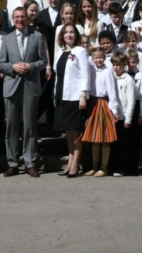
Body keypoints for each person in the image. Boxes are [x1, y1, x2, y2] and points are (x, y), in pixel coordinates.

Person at [0, 5, 48, 177]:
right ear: (13, 19)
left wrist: (30, 66)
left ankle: (30, 162)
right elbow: (1, 64)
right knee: (11, 126)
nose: (20, 20)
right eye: (17, 17)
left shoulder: (37, 36)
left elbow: (43, 61)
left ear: (27, 18)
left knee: (30, 126)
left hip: (30, 85)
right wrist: (14, 67)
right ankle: (12, 163)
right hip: (11, 86)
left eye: (23, 17)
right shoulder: (7, 38)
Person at [53, 24, 91, 177]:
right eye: (66, 32)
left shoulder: (80, 51)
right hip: (63, 95)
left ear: (76, 35)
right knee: (68, 132)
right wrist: (55, 95)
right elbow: (58, 77)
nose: (68, 35)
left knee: (76, 132)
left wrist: (83, 95)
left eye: (71, 32)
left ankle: (75, 163)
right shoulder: (60, 53)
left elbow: (85, 74)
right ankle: (69, 162)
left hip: (75, 97)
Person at [83, 46, 118, 177]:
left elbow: (112, 90)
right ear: (92, 58)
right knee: (94, 138)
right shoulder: (90, 69)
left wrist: (114, 109)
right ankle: (94, 165)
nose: (99, 60)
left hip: (103, 104)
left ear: (105, 58)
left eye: (101, 57)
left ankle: (104, 167)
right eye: (96, 57)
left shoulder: (107, 71)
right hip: (92, 103)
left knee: (104, 137)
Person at [111, 51, 139, 177]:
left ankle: (125, 167)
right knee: (115, 143)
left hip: (124, 117)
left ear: (124, 65)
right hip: (114, 116)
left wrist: (128, 119)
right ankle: (115, 165)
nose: (116, 68)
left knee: (125, 144)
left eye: (118, 65)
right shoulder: (112, 77)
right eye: (114, 65)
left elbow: (131, 100)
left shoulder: (128, 79)